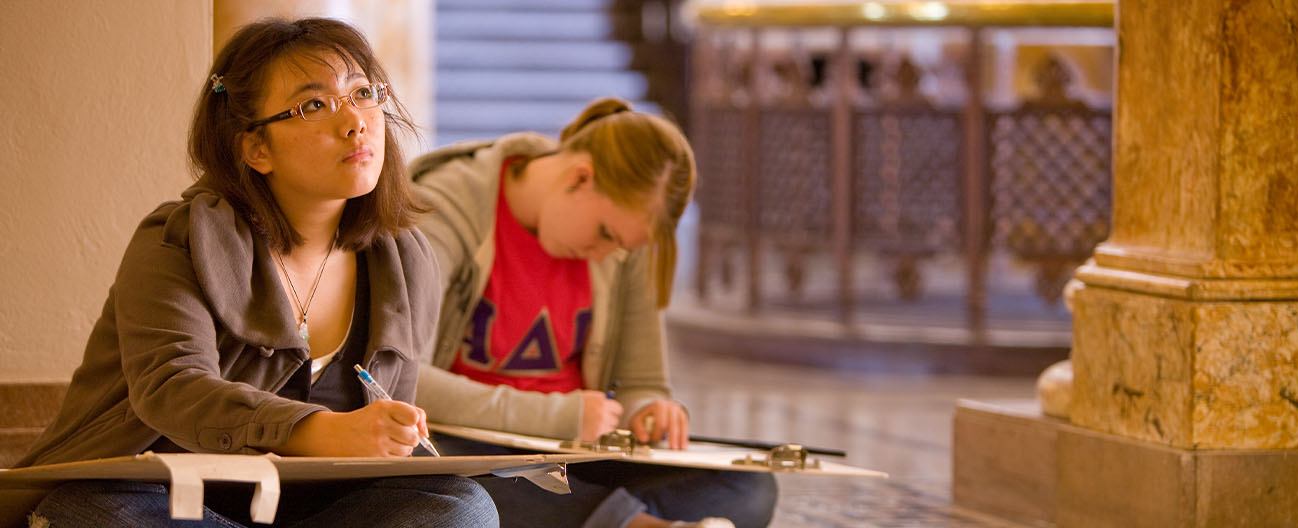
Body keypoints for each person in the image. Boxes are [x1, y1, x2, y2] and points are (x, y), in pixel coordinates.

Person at [16, 18, 497, 527]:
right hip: (171, 501)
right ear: (256, 148)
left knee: (459, 506)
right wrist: (322, 430)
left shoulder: (404, 258)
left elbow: (382, 443)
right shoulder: (178, 237)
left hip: (317, 510)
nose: (356, 121)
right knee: (94, 511)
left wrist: (393, 435)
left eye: (362, 92)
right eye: (315, 104)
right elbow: (172, 387)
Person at [410, 97, 777, 528]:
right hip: (466, 445)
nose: (606, 254)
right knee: (452, 482)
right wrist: (559, 415)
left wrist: (650, 411)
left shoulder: (621, 245)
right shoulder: (443, 210)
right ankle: (637, 524)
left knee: (749, 487)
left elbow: (641, 383)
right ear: (580, 177)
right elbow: (406, 381)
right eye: (605, 234)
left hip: (574, 454)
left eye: (620, 246)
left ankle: (596, 517)